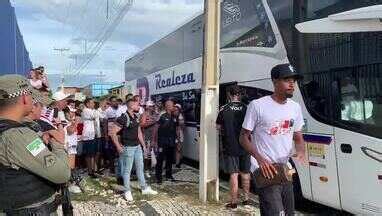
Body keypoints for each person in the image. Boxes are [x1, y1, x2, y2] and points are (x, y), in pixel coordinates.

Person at [240, 63, 306, 216]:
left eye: (294, 80)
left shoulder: (295, 107)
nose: (292, 84)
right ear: (275, 82)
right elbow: (243, 137)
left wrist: (301, 151)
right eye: (287, 80)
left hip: (285, 169)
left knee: (288, 213)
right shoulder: (257, 106)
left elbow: (298, 137)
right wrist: (260, 160)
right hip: (265, 170)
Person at [0, 75, 70, 215]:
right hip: (32, 209)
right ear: (25, 98)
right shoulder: (17, 135)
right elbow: (61, 173)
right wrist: (58, 145)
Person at [109, 97, 158, 201]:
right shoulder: (123, 118)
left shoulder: (136, 116)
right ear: (131, 106)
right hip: (128, 147)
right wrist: (118, 146)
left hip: (137, 147)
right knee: (127, 170)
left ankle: (144, 188)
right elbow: (112, 133)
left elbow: (139, 131)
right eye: (137, 104)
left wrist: (143, 145)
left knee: (140, 167)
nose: (139, 106)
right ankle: (127, 191)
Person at [216, 85, 250, 209]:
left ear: (229, 95)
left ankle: (234, 202)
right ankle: (246, 199)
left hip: (231, 146)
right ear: (239, 94)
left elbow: (218, 127)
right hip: (245, 145)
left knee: (234, 174)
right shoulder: (247, 108)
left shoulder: (224, 109)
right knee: (245, 173)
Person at [153, 99, 179, 184]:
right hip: (162, 142)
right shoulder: (162, 115)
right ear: (167, 106)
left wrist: (178, 141)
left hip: (171, 142)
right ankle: (158, 177)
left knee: (170, 160)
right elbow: (156, 128)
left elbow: (177, 129)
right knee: (160, 160)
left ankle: (168, 175)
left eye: (173, 104)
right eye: (171, 105)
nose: (173, 106)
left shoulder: (175, 116)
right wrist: (155, 141)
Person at [140, 100, 159, 177]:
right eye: (151, 106)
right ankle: (146, 170)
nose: (152, 108)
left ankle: (151, 169)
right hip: (147, 137)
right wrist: (153, 122)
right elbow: (142, 125)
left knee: (154, 154)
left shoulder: (155, 114)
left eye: (153, 106)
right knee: (147, 155)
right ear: (147, 107)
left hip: (154, 137)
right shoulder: (144, 114)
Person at [82, 98, 97, 177]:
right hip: (87, 135)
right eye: (92, 103)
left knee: (92, 153)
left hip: (92, 135)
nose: (94, 104)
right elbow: (95, 115)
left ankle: (92, 170)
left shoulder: (91, 110)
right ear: (87, 104)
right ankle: (90, 171)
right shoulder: (86, 110)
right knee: (89, 154)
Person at [173, 104, 185, 168]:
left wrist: (178, 137)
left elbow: (181, 128)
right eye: (174, 110)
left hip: (178, 135)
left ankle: (178, 163)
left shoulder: (180, 117)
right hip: (176, 135)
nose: (175, 111)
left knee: (178, 149)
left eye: (176, 110)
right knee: (178, 149)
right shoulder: (174, 116)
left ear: (179, 110)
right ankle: (179, 161)